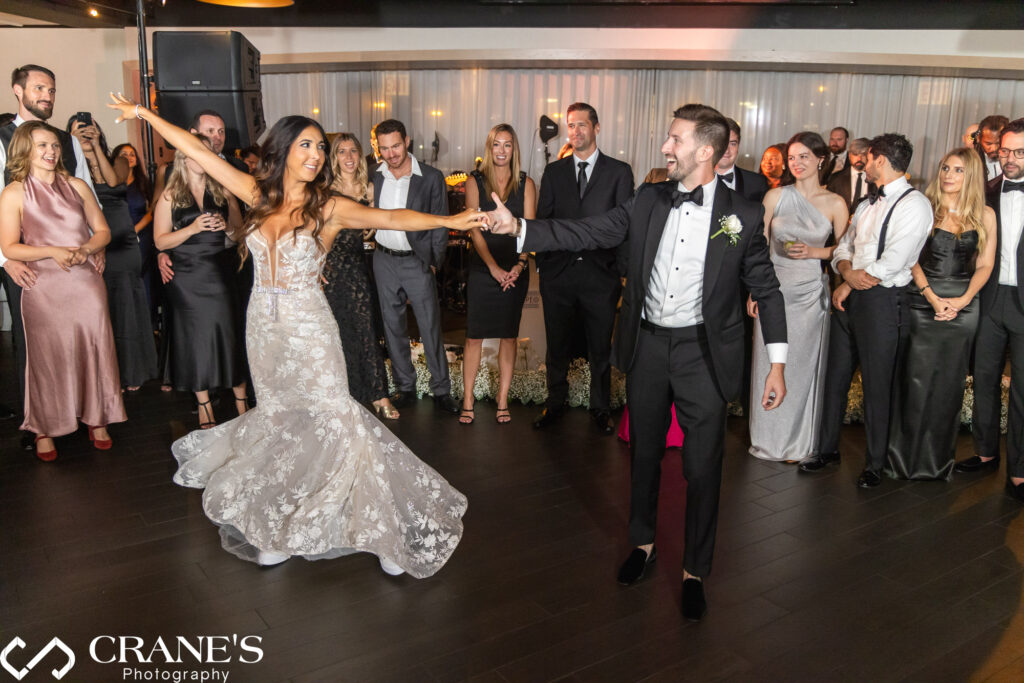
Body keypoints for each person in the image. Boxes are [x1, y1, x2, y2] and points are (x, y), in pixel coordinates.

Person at [108, 93, 481, 573]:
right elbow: (197, 151)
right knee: (283, 422)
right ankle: (283, 526)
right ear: (284, 149)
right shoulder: (256, 194)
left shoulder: (328, 207)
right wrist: (143, 114)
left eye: (321, 148)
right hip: (264, 326)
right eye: (307, 145)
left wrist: (450, 220)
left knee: (337, 417)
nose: (317, 155)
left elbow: (391, 219)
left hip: (311, 326)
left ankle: (382, 525)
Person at [486, 103, 788, 622]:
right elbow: (588, 230)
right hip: (648, 346)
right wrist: (521, 229)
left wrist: (777, 364)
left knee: (702, 467)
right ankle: (643, 545)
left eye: (675, 140)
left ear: (706, 152)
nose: (666, 148)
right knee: (644, 455)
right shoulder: (648, 198)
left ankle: (694, 571)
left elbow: (767, 288)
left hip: (703, 354)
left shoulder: (743, 215)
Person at [803, 134, 932, 488]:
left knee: (878, 385)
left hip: (883, 302)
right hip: (850, 298)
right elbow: (844, 246)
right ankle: (827, 449)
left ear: (880, 159)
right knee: (835, 378)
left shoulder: (915, 205)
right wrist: (845, 274)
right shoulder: (864, 203)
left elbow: (895, 262)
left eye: (868, 157)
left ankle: (876, 462)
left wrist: (851, 281)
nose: (862, 161)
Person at [0, 121, 125, 460]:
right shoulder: (14, 191)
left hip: (85, 282)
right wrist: (52, 251)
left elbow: (103, 231)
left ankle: (98, 419)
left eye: (54, 145)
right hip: (43, 285)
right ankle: (44, 427)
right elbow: (10, 247)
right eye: (42, 146)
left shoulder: (77, 185)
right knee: (47, 357)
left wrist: (86, 249)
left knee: (94, 348)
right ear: (25, 149)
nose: (51, 152)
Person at [0, 64, 100, 450]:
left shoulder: (66, 140)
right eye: (40, 88)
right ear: (17, 90)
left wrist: (93, 248)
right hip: (23, 258)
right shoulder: (1, 136)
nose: (47, 96)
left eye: (52, 90)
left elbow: (85, 192)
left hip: (79, 261)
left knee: (84, 338)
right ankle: (40, 423)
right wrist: (6, 259)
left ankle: (83, 412)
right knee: (34, 345)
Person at [887, 148, 995, 480]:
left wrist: (963, 300)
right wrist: (932, 297)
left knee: (949, 386)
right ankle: (901, 462)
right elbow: (911, 258)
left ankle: (936, 465)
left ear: (971, 176)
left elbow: (986, 264)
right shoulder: (924, 207)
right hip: (922, 301)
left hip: (964, 307)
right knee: (914, 383)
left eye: (958, 170)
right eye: (945, 167)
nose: (948, 174)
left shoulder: (986, 215)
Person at [532, 102, 634, 435]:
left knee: (599, 347)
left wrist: (619, 272)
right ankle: (555, 403)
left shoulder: (619, 172)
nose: (575, 132)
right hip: (558, 276)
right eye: (571, 126)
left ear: (597, 127)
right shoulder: (554, 172)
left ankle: (600, 408)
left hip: (600, 277)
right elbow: (544, 223)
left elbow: (625, 227)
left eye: (582, 125)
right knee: (557, 344)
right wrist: (546, 268)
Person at [748, 132, 848, 463]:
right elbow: (757, 244)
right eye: (792, 157)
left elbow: (848, 249)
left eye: (804, 156)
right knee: (768, 360)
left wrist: (815, 251)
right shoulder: (775, 196)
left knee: (800, 367)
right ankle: (767, 439)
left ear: (821, 159)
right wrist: (755, 289)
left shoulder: (835, 203)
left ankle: (796, 443)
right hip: (773, 288)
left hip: (809, 293)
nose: (797, 163)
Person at [154, 134, 247, 429]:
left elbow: (238, 236)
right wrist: (192, 228)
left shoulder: (224, 192)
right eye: (196, 152)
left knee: (229, 333)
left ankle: (242, 403)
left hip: (219, 272)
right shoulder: (171, 195)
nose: (203, 158)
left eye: (207, 153)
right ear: (184, 157)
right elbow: (159, 240)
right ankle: (204, 405)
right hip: (187, 276)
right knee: (194, 339)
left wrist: (227, 228)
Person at [371, 118, 459, 414]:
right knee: (392, 327)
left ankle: (442, 390)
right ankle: (405, 387)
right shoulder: (375, 175)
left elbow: (440, 223)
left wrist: (433, 263)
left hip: (417, 260)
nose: (391, 153)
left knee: (430, 326)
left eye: (396, 145)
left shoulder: (431, 176)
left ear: (407, 141)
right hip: (383, 259)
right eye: (384, 148)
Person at [961, 117, 1024, 502]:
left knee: (1022, 390)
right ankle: (985, 453)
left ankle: (1019, 470)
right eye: (1006, 151)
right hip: (989, 296)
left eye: (1020, 152)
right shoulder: (986, 192)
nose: (1011, 158)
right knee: (983, 377)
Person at [71, 119, 158, 392]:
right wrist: (74, 145)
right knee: (101, 308)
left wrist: (95, 146)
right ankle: (106, 374)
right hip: (92, 240)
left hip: (123, 241)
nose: (85, 133)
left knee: (126, 306)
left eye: (89, 128)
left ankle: (132, 371)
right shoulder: (69, 166)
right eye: (78, 130)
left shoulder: (117, 160)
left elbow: (111, 180)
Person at [461, 123, 536, 425]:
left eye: (507, 145)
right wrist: (493, 268)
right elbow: (472, 229)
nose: (502, 150)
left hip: (515, 269)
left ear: (513, 149)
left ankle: (502, 400)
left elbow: (530, 230)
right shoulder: (474, 181)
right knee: (473, 337)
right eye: (496, 144)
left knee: (509, 336)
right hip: (483, 267)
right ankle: (467, 401)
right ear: (489, 148)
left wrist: (518, 266)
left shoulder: (526, 183)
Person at [322, 132, 399, 420]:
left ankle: (379, 395)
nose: (349, 157)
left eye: (353, 151)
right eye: (342, 152)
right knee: (336, 334)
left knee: (366, 329)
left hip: (359, 265)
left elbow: (384, 221)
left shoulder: (369, 189)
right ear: (334, 157)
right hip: (330, 268)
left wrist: (373, 228)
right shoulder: (325, 190)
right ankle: (342, 396)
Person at [111, 142, 159, 332]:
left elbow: (151, 212)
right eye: (124, 153)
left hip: (141, 235)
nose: (129, 157)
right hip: (118, 238)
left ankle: (149, 324)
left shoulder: (142, 183)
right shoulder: (111, 183)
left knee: (144, 278)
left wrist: (136, 229)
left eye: (132, 154)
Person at [716, 118, 768, 203]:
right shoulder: (695, 179)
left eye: (733, 144)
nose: (727, 150)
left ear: (738, 146)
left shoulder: (757, 183)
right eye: (722, 143)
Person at [827, 137, 875, 214]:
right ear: (849, 155)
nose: (859, 158)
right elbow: (828, 205)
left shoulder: (877, 179)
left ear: (870, 156)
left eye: (863, 154)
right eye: (855, 154)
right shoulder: (836, 178)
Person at [977, 115, 1009, 182]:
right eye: (988, 144)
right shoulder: (971, 161)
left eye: (998, 143)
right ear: (979, 139)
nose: (994, 149)